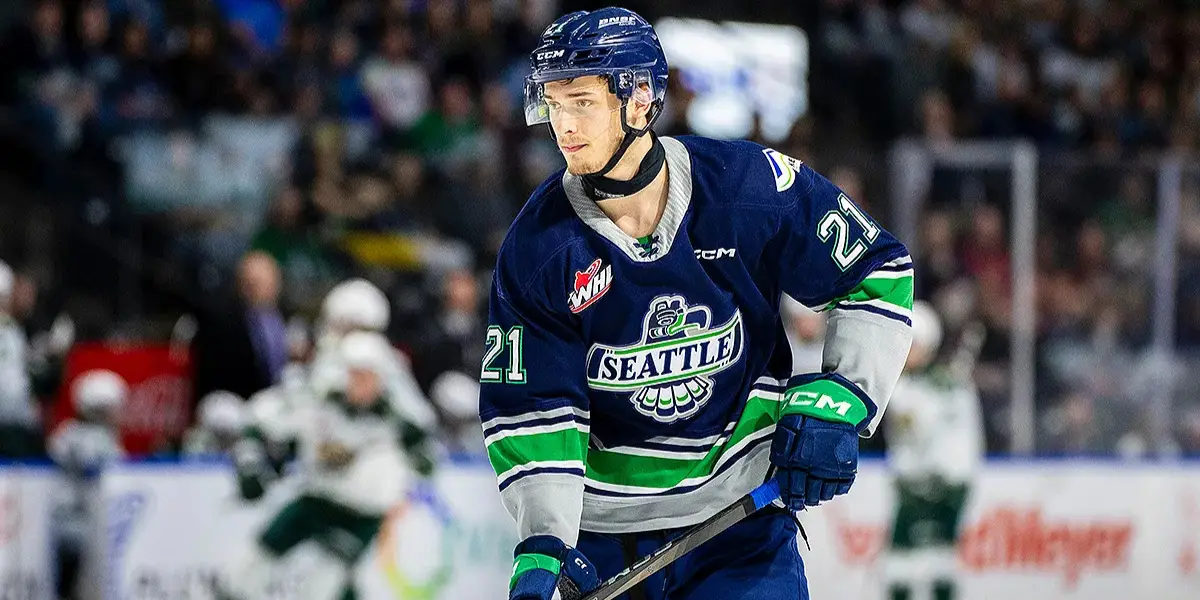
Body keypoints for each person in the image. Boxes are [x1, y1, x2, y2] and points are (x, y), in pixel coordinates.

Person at [479, 8, 914, 600]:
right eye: (554, 103)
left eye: (581, 101)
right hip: (604, 543)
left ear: (638, 101)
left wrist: (842, 397)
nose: (563, 125)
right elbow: (535, 413)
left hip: (742, 534)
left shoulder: (746, 188)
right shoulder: (537, 249)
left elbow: (875, 272)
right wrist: (545, 544)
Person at [220, 331, 435, 600]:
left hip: (360, 516)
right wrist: (253, 467)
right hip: (316, 500)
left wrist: (408, 461)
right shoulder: (319, 400)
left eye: (369, 375)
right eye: (354, 374)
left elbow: (428, 461)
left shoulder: (397, 417)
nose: (361, 383)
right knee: (246, 567)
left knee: (323, 586)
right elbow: (259, 422)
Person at [883, 302, 984, 600]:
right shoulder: (924, 383)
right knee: (902, 558)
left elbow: (919, 427)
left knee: (938, 557)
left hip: (942, 483)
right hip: (921, 481)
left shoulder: (944, 385)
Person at [48, 369, 127, 600]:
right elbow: (93, 464)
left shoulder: (73, 434)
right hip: (80, 527)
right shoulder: (89, 438)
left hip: (81, 526)